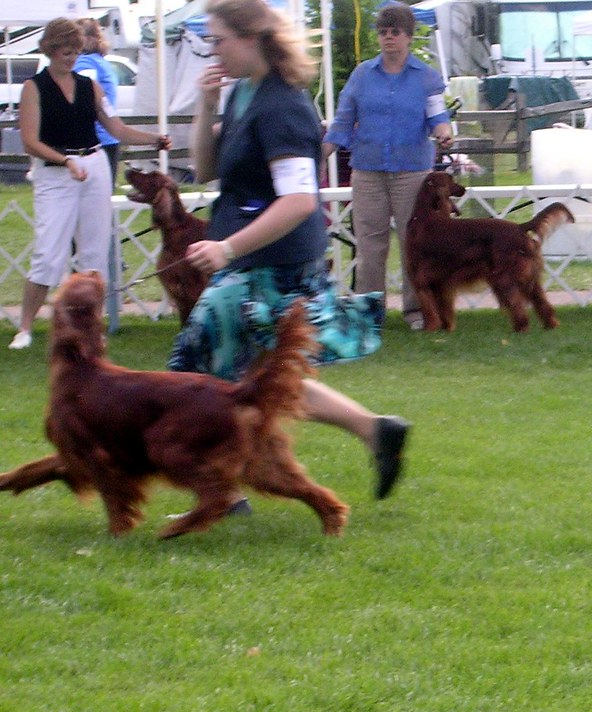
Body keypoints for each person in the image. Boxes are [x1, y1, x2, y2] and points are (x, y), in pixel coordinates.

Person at [173, 0, 410, 510]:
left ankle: (222, 491)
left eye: (218, 40)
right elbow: (205, 169)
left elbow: (300, 200)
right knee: (260, 380)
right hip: (251, 260)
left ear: (252, 37)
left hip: (272, 266)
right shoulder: (243, 93)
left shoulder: (281, 105)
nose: (212, 51)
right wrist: (206, 105)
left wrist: (226, 247)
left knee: (202, 371)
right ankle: (376, 430)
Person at [9, 18, 171, 350]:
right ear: (51, 50)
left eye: (76, 52)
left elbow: (117, 129)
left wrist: (153, 139)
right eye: (66, 52)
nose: (72, 58)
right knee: (48, 254)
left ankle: (90, 327)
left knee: (95, 254)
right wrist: (65, 161)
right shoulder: (33, 88)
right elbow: (30, 142)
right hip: (55, 173)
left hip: (94, 165)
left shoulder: (90, 86)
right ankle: (25, 328)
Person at [322, 3, 453, 331]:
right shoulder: (362, 75)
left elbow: (438, 116)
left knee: (415, 243)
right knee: (369, 245)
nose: (388, 37)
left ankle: (417, 310)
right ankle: (369, 313)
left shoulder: (427, 77)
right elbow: (343, 120)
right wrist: (320, 154)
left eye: (395, 32)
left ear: (408, 36)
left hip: (413, 173)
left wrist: (444, 132)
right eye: (383, 32)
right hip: (368, 172)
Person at [73, 18, 120, 185]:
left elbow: (83, 97)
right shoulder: (100, 61)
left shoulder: (85, 63)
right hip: (108, 138)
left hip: (95, 142)